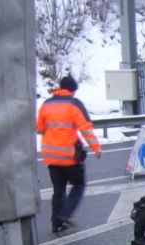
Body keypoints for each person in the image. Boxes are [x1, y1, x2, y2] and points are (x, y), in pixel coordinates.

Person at [37, 75, 102, 232]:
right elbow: (86, 129)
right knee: (78, 185)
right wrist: (96, 148)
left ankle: (56, 222)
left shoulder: (46, 104)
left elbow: (39, 128)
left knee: (58, 189)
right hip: (70, 157)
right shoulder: (74, 104)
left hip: (52, 157)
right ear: (72, 90)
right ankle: (64, 215)